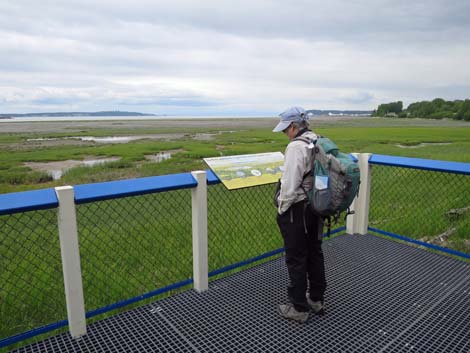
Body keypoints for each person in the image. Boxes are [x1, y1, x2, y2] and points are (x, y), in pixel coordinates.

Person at [273, 106, 326, 323]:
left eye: (286, 129)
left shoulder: (296, 147)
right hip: (316, 206)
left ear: (294, 126)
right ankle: (316, 299)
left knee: (296, 258)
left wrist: (281, 208)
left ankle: (298, 308)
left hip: (298, 210)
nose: (286, 134)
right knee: (314, 252)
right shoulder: (317, 139)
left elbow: (290, 185)